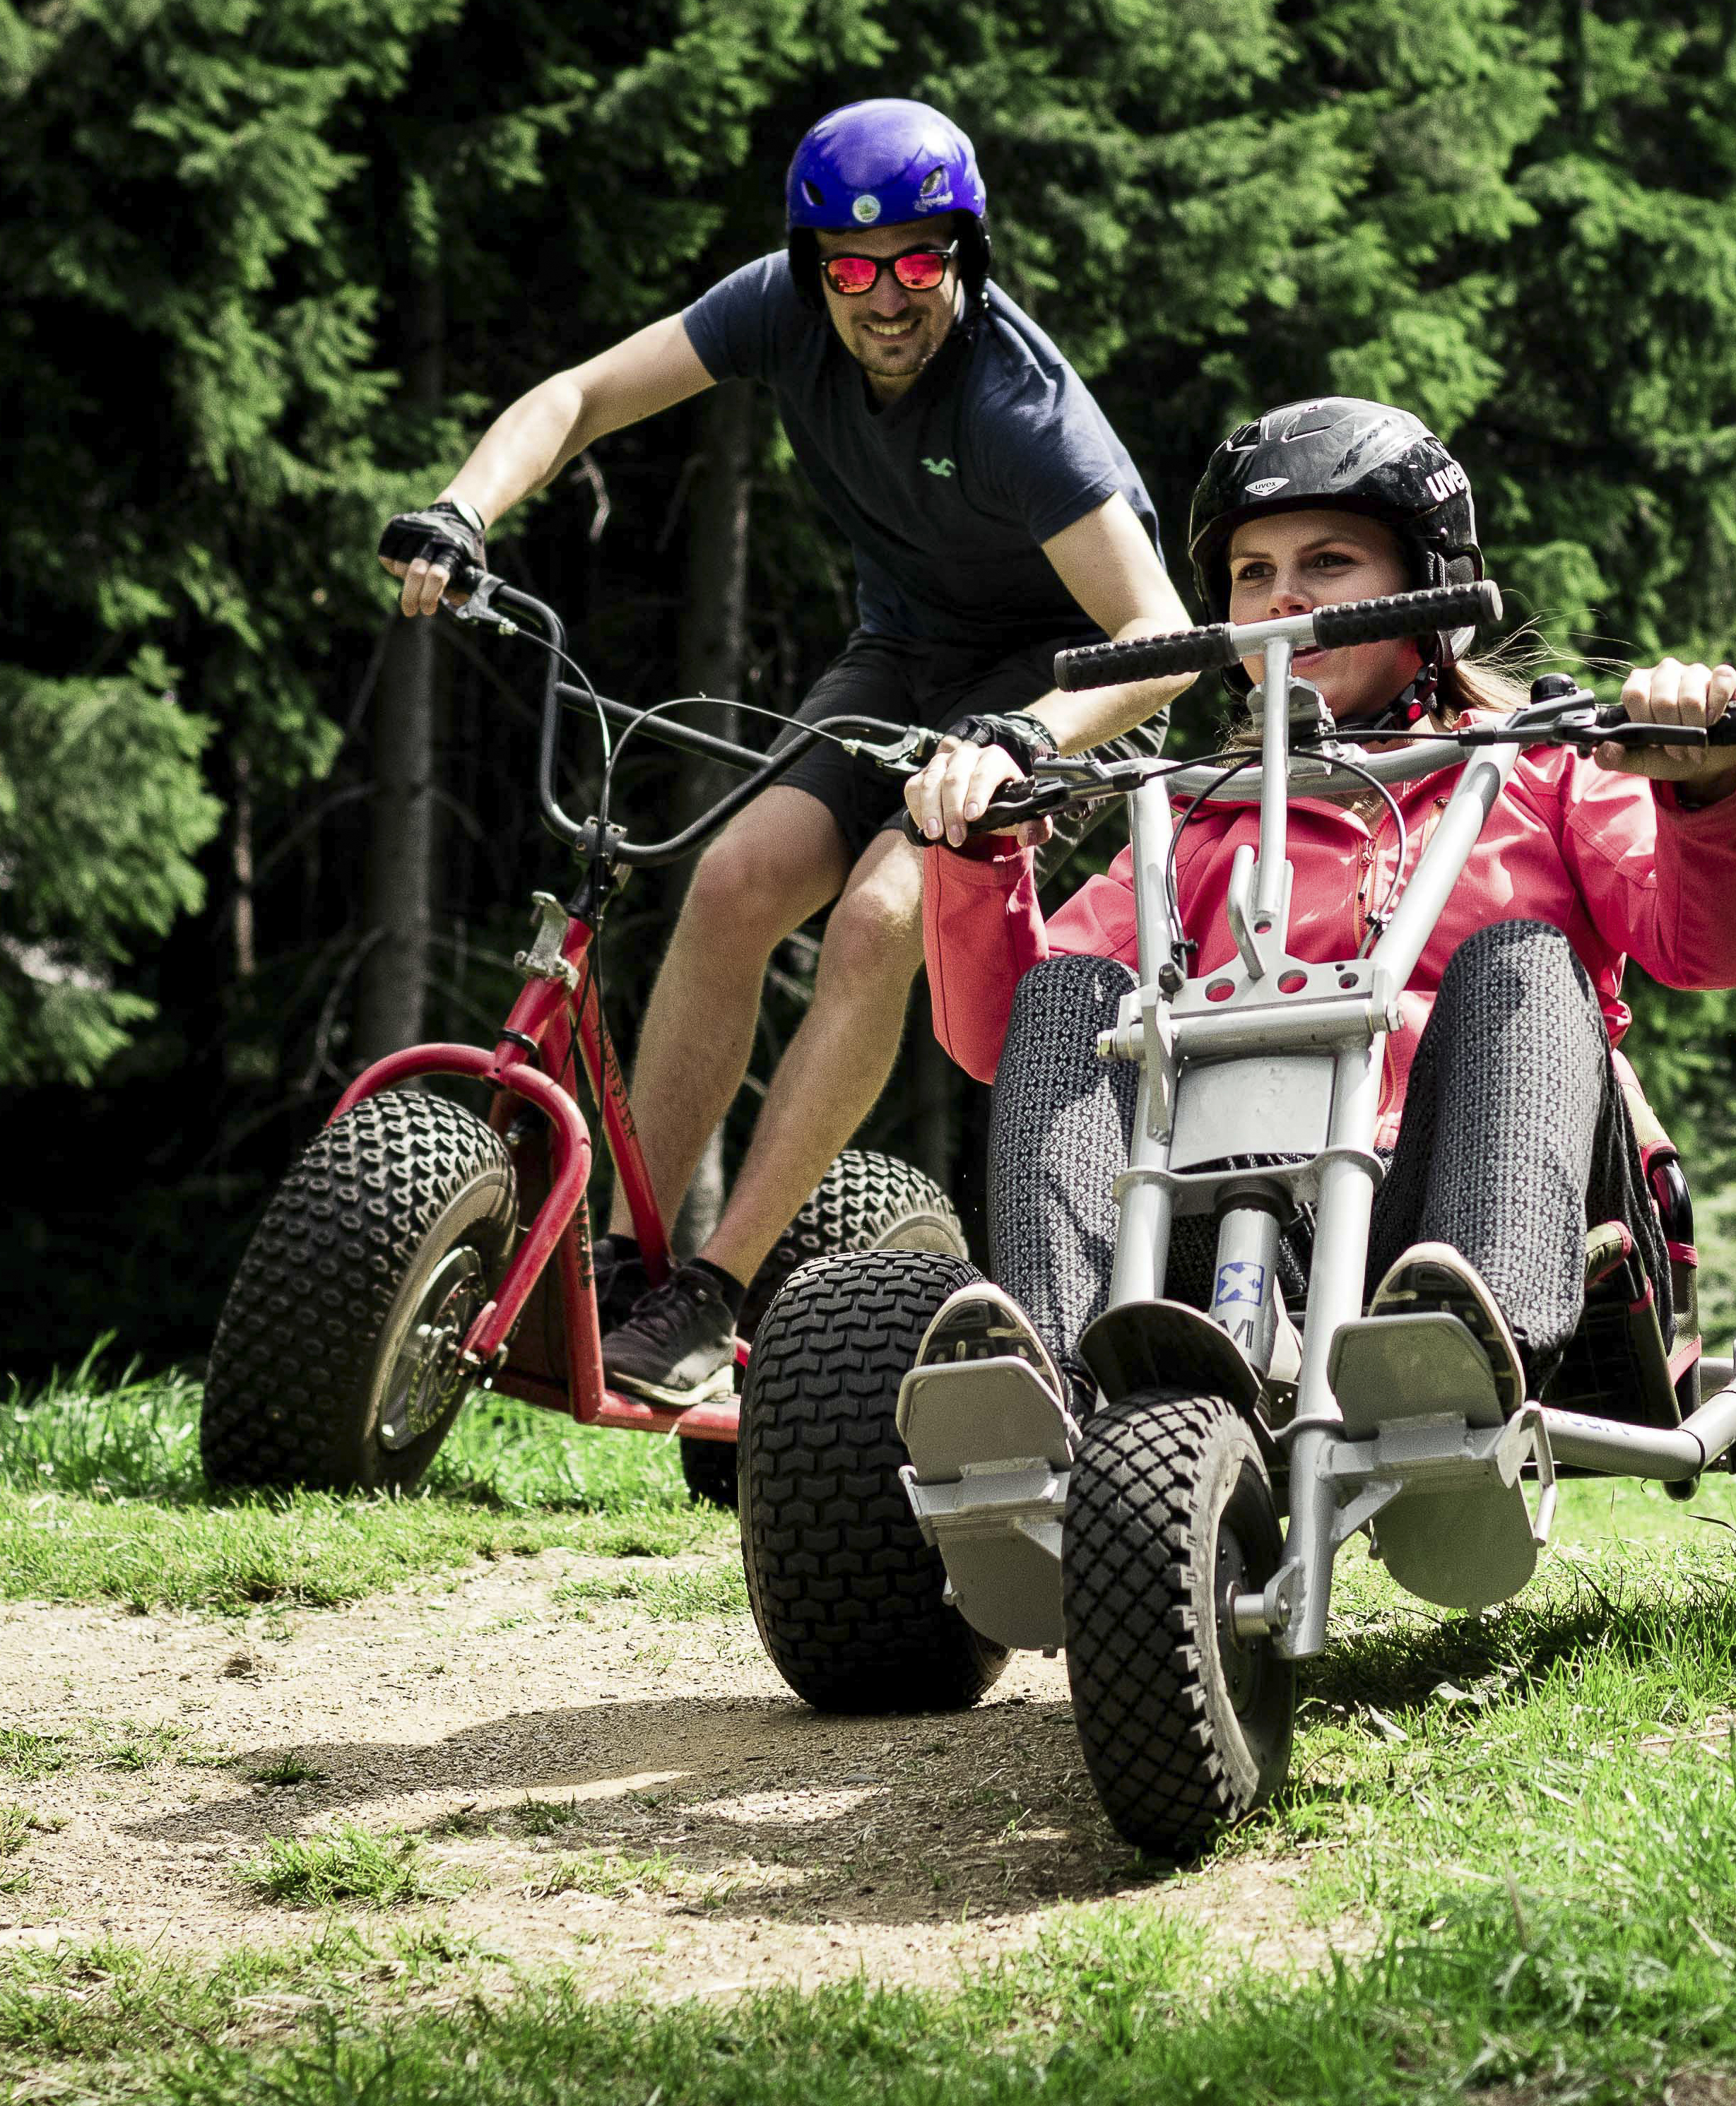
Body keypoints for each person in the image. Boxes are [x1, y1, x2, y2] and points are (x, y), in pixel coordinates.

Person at [372, 99, 1193, 1409]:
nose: (883, 297)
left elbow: (1164, 637)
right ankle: (631, 1271)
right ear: (813, 266)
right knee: (734, 880)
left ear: (964, 256)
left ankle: (716, 1291)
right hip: (906, 657)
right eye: (850, 267)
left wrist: (1024, 735)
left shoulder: (1019, 408)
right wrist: (465, 508)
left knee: (877, 915)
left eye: (918, 261)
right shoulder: (778, 308)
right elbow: (580, 395)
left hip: (1060, 684)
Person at [897, 397, 1736, 1410]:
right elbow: (1013, 1044)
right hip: (1238, 1229)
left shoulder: (1542, 766)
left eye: (1327, 564)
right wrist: (976, 854)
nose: (1284, 601)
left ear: (1428, 585)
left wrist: (1704, 785)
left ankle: (1464, 1336)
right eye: (1253, 574)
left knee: (1523, 959)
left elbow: (1716, 951)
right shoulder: (1190, 815)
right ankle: (1047, 1384)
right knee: (1071, 991)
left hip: (1492, 1220)